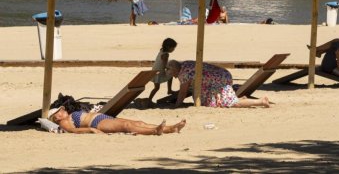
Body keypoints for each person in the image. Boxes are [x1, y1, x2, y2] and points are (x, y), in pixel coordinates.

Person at [166, 60, 270, 108]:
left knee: (231, 103)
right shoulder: (185, 64)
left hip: (219, 79)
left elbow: (183, 93)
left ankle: (261, 102)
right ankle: (242, 99)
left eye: (172, 73)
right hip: (221, 75)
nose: (172, 76)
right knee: (220, 100)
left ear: (175, 71)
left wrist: (176, 106)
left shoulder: (184, 74)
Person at [48, 106, 186, 135]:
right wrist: (91, 129)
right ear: (56, 118)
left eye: (60, 110)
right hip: (97, 123)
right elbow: (73, 130)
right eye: (58, 113)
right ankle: (154, 131)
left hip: (102, 118)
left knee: (138, 123)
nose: (61, 112)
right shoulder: (64, 122)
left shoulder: (69, 115)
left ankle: (170, 128)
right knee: (127, 126)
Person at [148, 38, 178, 106]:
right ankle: (169, 90)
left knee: (156, 88)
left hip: (155, 71)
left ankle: (149, 99)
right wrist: (170, 68)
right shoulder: (166, 54)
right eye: (173, 48)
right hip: (159, 73)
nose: (173, 50)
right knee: (170, 76)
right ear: (169, 47)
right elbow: (164, 65)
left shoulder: (161, 51)